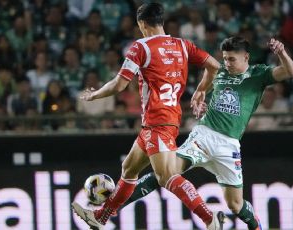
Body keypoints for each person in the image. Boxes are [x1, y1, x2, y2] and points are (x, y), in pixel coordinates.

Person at [118, 36, 293, 230]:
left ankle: (255, 225)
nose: (227, 63)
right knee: (166, 173)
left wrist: (281, 53)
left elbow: (291, 71)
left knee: (235, 205)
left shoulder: (258, 74)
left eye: (232, 59)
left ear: (246, 57)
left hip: (229, 145)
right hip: (204, 135)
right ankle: (112, 207)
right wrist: (200, 92)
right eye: (225, 58)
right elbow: (209, 77)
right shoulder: (220, 71)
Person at [71, 3, 224, 230]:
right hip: (161, 120)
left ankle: (209, 219)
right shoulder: (183, 45)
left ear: (141, 24)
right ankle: (100, 217)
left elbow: (119, 85)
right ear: (161, 21)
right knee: (129, 170)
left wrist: (95, 95)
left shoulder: (140, 47)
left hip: (158, 121)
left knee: (167, 177)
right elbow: (214, 66)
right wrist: (202, 89)